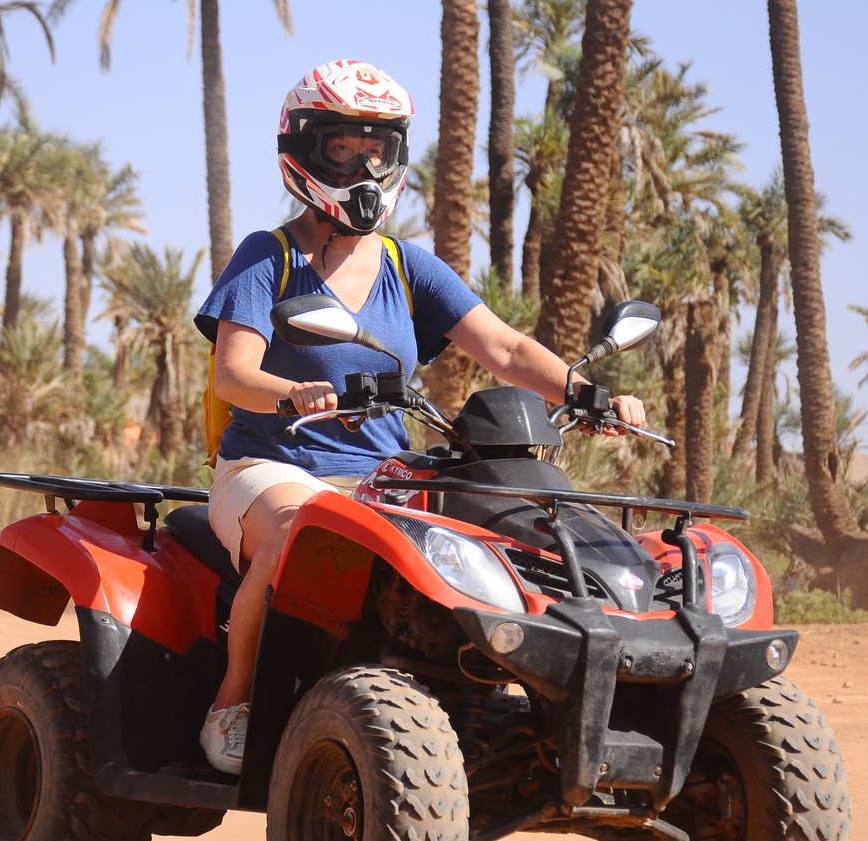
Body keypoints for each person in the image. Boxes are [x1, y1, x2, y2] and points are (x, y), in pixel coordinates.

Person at [193, 59, 647, 775]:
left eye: (376, 146)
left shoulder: (409, 267)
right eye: (342, 145)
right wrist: (292, 394)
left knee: (499, 539)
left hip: (382, 480)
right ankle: (234, 702)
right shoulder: (269, 257)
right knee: (293, 532)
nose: (363, 162)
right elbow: (232, 373)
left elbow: (502, 345)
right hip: (273, 467)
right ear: (306, 149)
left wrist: (583, 392)